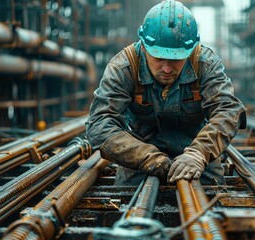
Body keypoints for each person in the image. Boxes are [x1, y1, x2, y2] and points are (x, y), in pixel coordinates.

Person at [86, 0, 246, 186]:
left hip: (197, 151)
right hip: (138, 154)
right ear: (144, 46)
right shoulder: (124, 68)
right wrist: (147, 157)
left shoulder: (205, 64)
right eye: (160, 58)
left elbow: (228, 110)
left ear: (191, 49)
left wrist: (199, 153)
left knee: (213, 206)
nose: (167, 68)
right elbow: (99, 124)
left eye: (176, 59)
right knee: (127, 206)